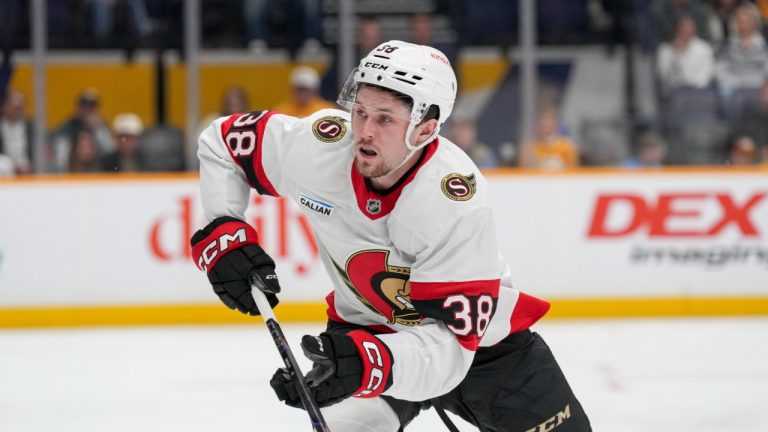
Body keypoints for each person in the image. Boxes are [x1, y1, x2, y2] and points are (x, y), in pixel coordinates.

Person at [190, 41, 591, 431]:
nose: (363, 131)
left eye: (384, 119)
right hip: (366, 330)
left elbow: (450, 353)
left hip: (478, 350)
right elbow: (222, 142)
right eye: (360, 112)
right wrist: (224, 228)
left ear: (426, 128)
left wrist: (370, 364)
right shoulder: (320, 146)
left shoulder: (452, 200)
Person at [656, 15, 715, 95]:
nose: (686, 33)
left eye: (689, 30)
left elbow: (706, 75)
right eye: (683, 30)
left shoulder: (704, 48)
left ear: (694, 30)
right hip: (673, 94)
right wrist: (676, 53)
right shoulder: (665, 50)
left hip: (698, 93)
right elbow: (664, 77)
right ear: (677, 30)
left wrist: (691, 89)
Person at [0, 90, 33, 174]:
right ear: (5, 106)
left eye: (21, 107)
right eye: (16, 107)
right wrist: (12, 165)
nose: (18, 111)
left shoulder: (31, 126)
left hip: (28, 170)